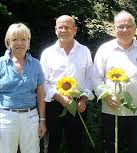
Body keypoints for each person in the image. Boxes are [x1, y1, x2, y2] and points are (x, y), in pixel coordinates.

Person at [93, 10, 137, 153]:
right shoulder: (105, 49)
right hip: (112, 110)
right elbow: (95, 77)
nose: (125, 30)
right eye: (120, 26)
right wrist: (106, 96)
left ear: (135, 28)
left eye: (129, 26)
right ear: (114, 28)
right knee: (112, 148)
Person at [40, 15, 94, 153]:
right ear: (55, 30)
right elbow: (43, 82)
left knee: (76, 144)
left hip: (78, 105)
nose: (64, 30)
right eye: (60, 27)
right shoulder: (47, 53)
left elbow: (90, 78)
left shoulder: (85, 51)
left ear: (75, 30)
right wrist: (60, 98)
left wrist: (84, 99)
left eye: (67, 27)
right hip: (53, 104)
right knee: (52, 144)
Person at [0, 23, 46, 153]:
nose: (19, 43)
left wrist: (42, 120)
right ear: (8, 42)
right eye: (15, 39)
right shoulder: (1, 64)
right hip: (5, 117)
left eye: (23, 39)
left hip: (31, 117)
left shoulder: (36, 64)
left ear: (28, 42)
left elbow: (41, 94)